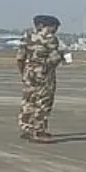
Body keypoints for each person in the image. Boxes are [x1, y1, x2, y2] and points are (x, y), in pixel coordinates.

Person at [16, 14, 66, 142]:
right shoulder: (50, 39)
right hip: (44, 73)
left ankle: (26, 128)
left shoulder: (27, 37)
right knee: (43, 102)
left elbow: (20, 58)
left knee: (28, 100)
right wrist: (61, 56)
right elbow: (53, 59)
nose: (55, 30)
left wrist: (24, 73)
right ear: (46, 26)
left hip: (29, 72)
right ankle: (38, 131)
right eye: (54, 27)